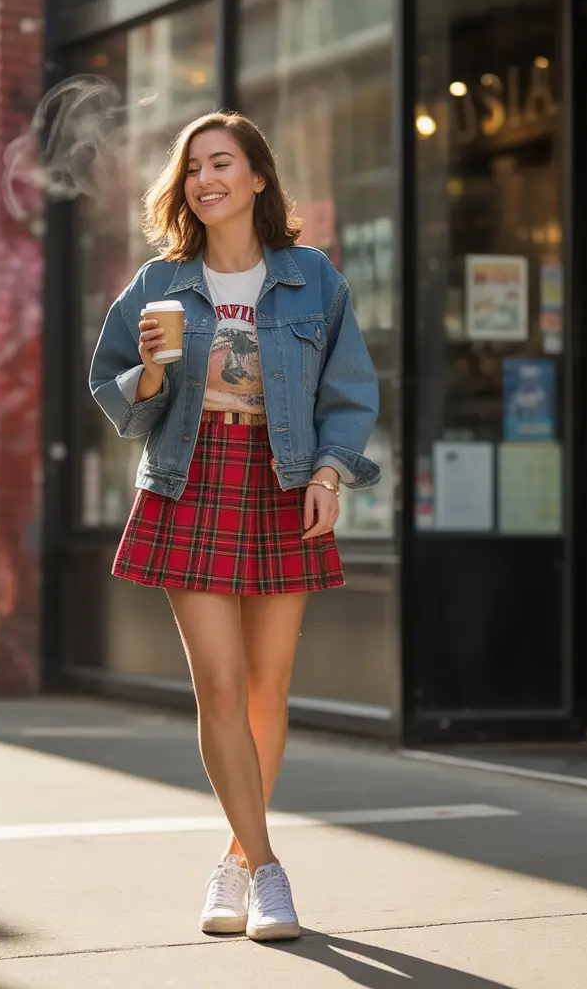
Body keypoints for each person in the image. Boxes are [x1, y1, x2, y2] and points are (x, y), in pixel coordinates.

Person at [89, 111, 380, 941]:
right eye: (191, 170)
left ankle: (231, 860)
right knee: (217, 684)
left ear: (258, 177)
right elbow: (118, 397)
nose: (204, 180)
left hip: (282, 478)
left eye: (222, 163)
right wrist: (148, 372)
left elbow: (350, 391)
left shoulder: (313, 279)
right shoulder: (158, 283)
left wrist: (330, 473)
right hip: (191, 479)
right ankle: (270, 871)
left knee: (265, 690)